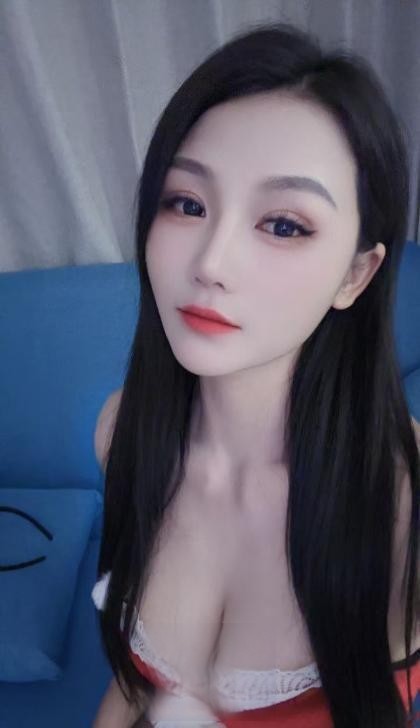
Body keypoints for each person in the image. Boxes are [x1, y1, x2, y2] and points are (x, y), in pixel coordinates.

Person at [91, 21, 420, 728]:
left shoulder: (402, 501)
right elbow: (135, 687)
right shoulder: (122, 432)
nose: (211, 262)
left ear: (356, 275)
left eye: (284, 225)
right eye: (187, 203)